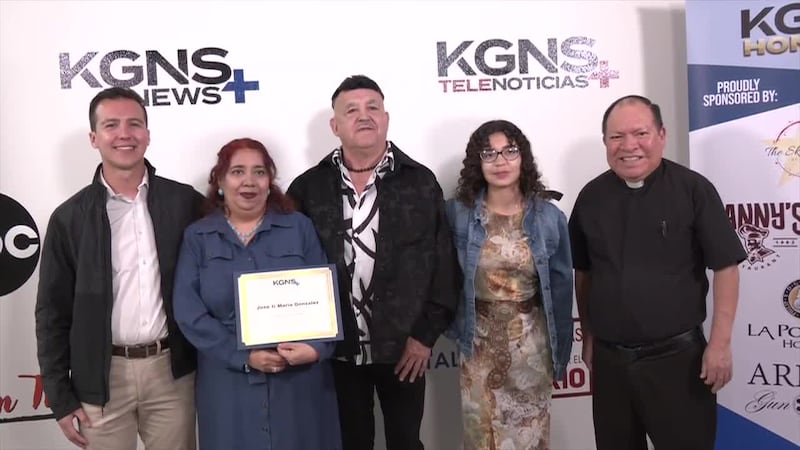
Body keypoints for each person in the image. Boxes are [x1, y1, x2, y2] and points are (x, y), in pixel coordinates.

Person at [287, 75, 459, 450]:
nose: (363, 116)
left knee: (405, 442)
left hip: (405, 350)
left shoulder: (420, 182)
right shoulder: (308, 188)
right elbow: (288, 269)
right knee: (350, 443)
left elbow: (443, 267)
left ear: (386, 118)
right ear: (335, 126)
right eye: (351, 110)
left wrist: (424, 338)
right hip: (337, 351)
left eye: (372, 108)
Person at [568, 95, 746, 450]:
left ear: (661, 135)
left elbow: (726, 266)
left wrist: (721, 344)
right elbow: (584, 273)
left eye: (640, 133)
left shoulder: (693, 190)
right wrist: (588, 336)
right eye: (617, 137)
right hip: (611, 364)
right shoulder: (591, 197)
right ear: (605, 142)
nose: (629, 146)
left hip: (678, 362)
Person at [35, 87, 202, 450]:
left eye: (134, 124)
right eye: (111, 125)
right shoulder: (69, 219)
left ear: (148, 134)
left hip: (171, 373)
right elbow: (52, 314)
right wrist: (61, 398)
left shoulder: (184, 202)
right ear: (94, 138)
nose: (124, 134)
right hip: (101, 379)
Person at [172, 138, 341, 450]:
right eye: (237, 172)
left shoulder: (299, 228)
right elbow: (188, 311)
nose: (249, 181)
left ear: (270, 181)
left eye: (259, 172)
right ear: (220, 182)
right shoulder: (198, 236)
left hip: (298, 382)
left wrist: (317, 349)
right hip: (228, 381)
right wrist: (243, 357)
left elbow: (327, 297)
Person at [445, 120, 574, 450]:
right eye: (489, 153)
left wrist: (560, 355)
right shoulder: (457, 214)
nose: (500, 161)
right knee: (481, 441)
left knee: (527, 441)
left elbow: (560, 291)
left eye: (509, 151)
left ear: (523, 158)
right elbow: (441, 276)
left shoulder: (549, 217)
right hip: (478, 349)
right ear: (477, 162)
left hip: (530, 350)